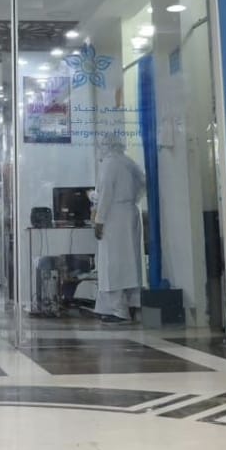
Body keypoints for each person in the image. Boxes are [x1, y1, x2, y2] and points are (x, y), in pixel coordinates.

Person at [93, 137, 145, 323]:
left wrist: (99, 220)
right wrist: (132, 200)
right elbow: (143, 183)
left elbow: (105, 194)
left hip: (113, 217)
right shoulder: (128, 162)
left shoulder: (109, 164)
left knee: (112, 264)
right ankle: (133, 305)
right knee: (130, 262)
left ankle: (118, 310)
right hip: (130, 212)